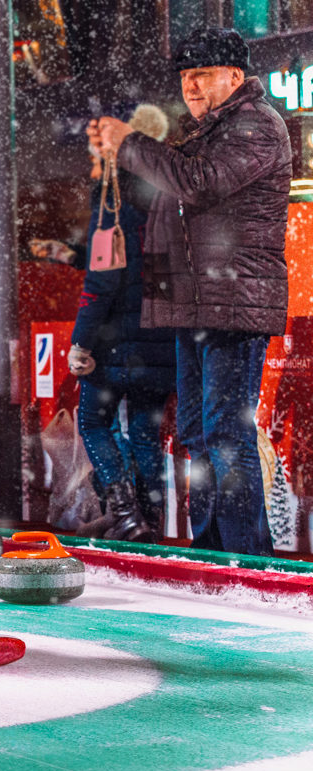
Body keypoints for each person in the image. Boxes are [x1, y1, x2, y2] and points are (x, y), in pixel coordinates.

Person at [99, 27, 291, 556]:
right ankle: (213, 550)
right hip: (197, 306)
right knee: (198, 433)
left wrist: (132, 144)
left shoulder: (256, 125)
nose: (192, 87)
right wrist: (159, 304)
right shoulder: (203, 132)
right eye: (186, 77)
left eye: (202, 75)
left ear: (235, 76)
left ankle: (247, 558)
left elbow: (198, 183)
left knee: (224, 435)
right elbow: (168, 218)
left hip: (233, 304)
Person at [63, 104, 175, 543]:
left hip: (114, 341)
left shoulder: (113, 199)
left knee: (93, 421)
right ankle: (149, 520)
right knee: (146, 434)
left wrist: (81, 343)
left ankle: (125, 513)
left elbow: (102, 281)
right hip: (161, 336)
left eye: (96, 158)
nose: (92, 168)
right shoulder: (166, 195)